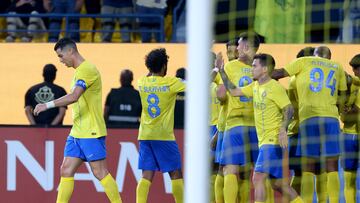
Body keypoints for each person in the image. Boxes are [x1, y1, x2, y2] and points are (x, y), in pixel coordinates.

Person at [33, 38, 122, 203]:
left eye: (60, 56)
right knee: (66, 170)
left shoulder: (87, 70)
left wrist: (47, 105)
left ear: (70, 51)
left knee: (100, 172)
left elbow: (74, 96)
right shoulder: (78, 72)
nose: (60, 60)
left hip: (91, 130)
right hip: (77, 131)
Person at [217, 53, 303, 203]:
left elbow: (288, 109)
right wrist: (222, 71)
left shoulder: (274, 87)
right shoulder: (255, 86)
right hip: (265, 142)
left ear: (264, 69)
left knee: (257, 178)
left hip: (273, 140)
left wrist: (283, 129)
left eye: (254, 66)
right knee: (277, 184)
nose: (251, 69)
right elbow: (235, 91)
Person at [272, 46, 347, 203]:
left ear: (314, 55)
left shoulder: (303, 63)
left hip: (306, 121)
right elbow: (342, 96)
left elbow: (278, 74)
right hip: (331, 119)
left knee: (307, 169)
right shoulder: (337, 66)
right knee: (331, 167)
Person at [215, 32, 262, 203]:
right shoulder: (261, 67)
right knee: (257, 173)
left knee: (229, 170)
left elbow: (221, 95)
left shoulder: (230, 66)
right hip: (257, 127)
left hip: (235, 124)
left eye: (240, 46)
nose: (237, 49)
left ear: (247, 47)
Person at [136, 48, 185, 203]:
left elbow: (149, 75)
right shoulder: (172, 83)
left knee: (146, 176)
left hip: (145, 135)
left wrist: (152, 69)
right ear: (164, 66)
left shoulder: (141, 82)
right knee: (176, 174)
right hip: (164, 136)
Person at [287, 47, 315, 195]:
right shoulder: (300, 80)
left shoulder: (294, 79)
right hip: (301, 131)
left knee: (299, 173)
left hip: (295, 130)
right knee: (306, 171)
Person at [340, 54, 360, 203]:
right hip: (348, 134)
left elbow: (354, 110)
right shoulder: (352, 83)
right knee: (349, 177)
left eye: (357, 70)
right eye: (353, 70)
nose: (355, 73)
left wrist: (349, 109)